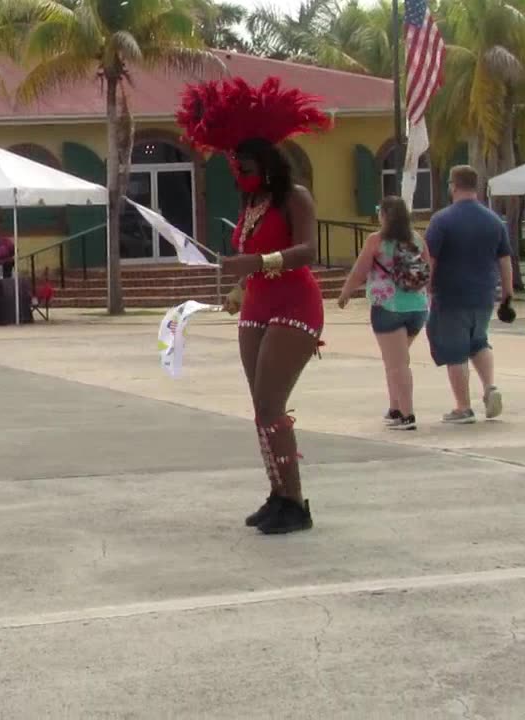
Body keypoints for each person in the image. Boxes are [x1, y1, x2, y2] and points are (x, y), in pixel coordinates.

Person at [178, 76, 332, 534]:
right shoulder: (252, 204)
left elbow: (308, 251)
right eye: (233, 164)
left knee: (271, 404)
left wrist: (257, 261)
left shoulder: (293, 197)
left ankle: (295, 503)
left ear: (266, 162)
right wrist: (239, 287)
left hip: (295, 304)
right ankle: (277, 493)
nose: (238, 171)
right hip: (257, 307)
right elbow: (252, 262)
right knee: (260, 407)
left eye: (243, 163)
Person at [425, 165, 513, 424]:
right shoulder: (494, 220)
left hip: (451, 295)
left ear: (453, 185)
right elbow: (505, 259)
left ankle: (463, 407)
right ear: (475, 185)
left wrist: (427, 287)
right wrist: (507, 294)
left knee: (455, 351)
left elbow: (430, 259)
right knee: (479, 342)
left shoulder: (442, 220)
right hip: (484, 293)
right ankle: (489, 387)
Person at [337, 196, 430, 430]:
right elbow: (428, 268)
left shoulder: (376, 241)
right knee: (397, 360)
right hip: (417, 307)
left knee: (397, 364)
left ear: (385, 216)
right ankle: (395, 407)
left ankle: (407, 415)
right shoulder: (417, 238)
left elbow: (360, 270)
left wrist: (345, 293)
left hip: (388, 307)